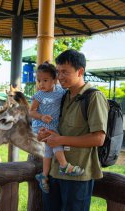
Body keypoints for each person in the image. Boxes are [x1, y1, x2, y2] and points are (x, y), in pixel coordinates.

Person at [40, 49, 109, 211]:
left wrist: (60, 139)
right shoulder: (64, 96)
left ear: (80, 71)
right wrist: (48, 133)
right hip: (55, 171)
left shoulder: (94, 97)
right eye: (58, 72)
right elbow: (62, 130)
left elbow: (99, 138)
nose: (60, 77)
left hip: (78, 173)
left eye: (65, 72)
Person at [30, 61, 84, 194]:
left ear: (55, 80)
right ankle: (64, 165)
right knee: (56, 142)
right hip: (41, 125)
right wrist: (41, 117)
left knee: (48, 151)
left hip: (53, 125)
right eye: (39, 81)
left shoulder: (61, 91)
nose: (41, 84)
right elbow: (31, 112)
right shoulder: (39, 95)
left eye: (45, 80)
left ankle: (44, 175)